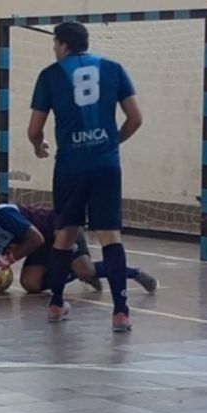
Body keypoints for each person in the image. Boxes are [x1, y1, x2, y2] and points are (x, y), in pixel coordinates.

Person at [27, 22, 143, 331]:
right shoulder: (114, 68)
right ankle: (120, 312)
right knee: (110, 236)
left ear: (63, 44)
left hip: (70, 166)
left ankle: (55, 305)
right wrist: (112, 141)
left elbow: (34, 130)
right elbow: (135, 118)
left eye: (55, 43)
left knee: (65, 233)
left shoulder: (50, 75)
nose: (54, 49)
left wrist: (40, 146)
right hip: (106, 165)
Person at [0, 203, 158, 295]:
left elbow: (36, 238)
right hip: (38, 246)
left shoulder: (3, 216)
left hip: (58, 229)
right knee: (31, 284)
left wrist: (8, 260)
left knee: (86, 269)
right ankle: (71, 273)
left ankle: (134, 273)